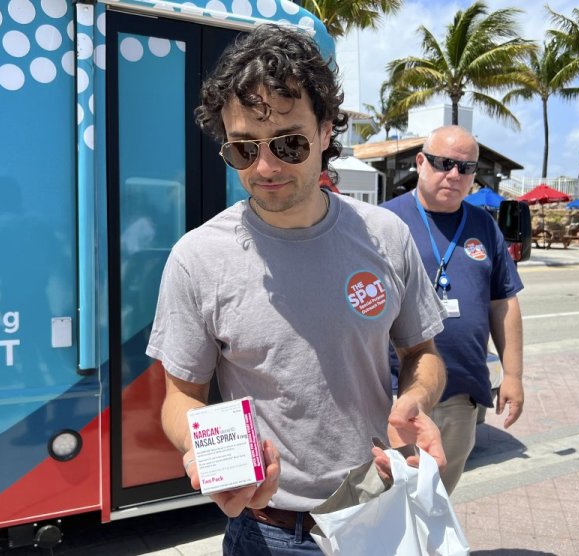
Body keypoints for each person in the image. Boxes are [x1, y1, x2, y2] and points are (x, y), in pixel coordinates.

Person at [146, 24, 448, 555]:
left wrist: (416, 400)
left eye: (289, 143)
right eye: (243, 149)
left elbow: (421, 352)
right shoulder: (196, 258)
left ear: (327, 129)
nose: (265, 167)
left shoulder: (385, 236)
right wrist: (200, 449)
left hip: (381, 510)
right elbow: (181, 396)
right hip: (267, 530)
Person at [382, 125, 525, 494]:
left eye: (466, 167)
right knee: (391, 502)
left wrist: (512, 375)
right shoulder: (383, 222)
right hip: (399, 394)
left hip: (463, 393)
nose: (454, 175)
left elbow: (503, 303)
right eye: (444, 163)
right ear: (420, 162)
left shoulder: (485, 226)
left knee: (438, 501)